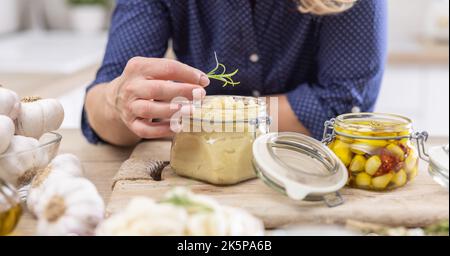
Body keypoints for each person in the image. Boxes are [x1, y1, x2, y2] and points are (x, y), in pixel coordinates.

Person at [83, 0, 387, 146]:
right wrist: (118, 101)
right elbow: (99, 111)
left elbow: (340, 110)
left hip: (309, 174)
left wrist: (197, 118)